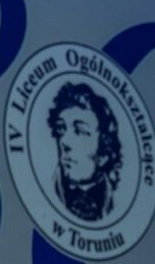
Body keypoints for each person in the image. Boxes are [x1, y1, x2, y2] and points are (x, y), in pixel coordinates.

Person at [46, 82, 123, 221]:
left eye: (80, 131)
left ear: (104, 153)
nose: (64, 142)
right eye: (61, 129)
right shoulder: (46, 189)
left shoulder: (119, 204)